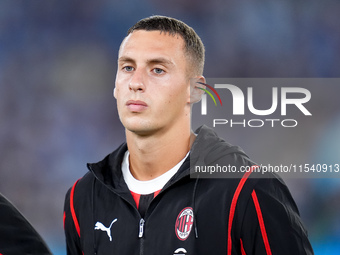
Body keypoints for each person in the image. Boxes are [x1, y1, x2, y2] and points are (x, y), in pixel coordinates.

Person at [64, 15, 314, 255]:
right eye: (128, 67)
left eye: (158, 70)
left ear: (195, 90)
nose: (136, 82)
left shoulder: (248, 189)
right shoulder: (83, 198)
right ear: (116, 85)